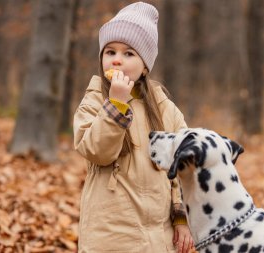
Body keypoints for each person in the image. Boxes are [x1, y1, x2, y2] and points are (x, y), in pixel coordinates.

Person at [73, 2, 194, 253]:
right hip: (111, 234)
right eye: (110, 52)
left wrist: (181, 218)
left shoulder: (164, 109)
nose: (117, 60)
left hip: (159, 236)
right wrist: (116, 104)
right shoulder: (95, 100)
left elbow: (183, 167)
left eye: (128, 54)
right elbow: (96, 151)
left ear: (145, 66)